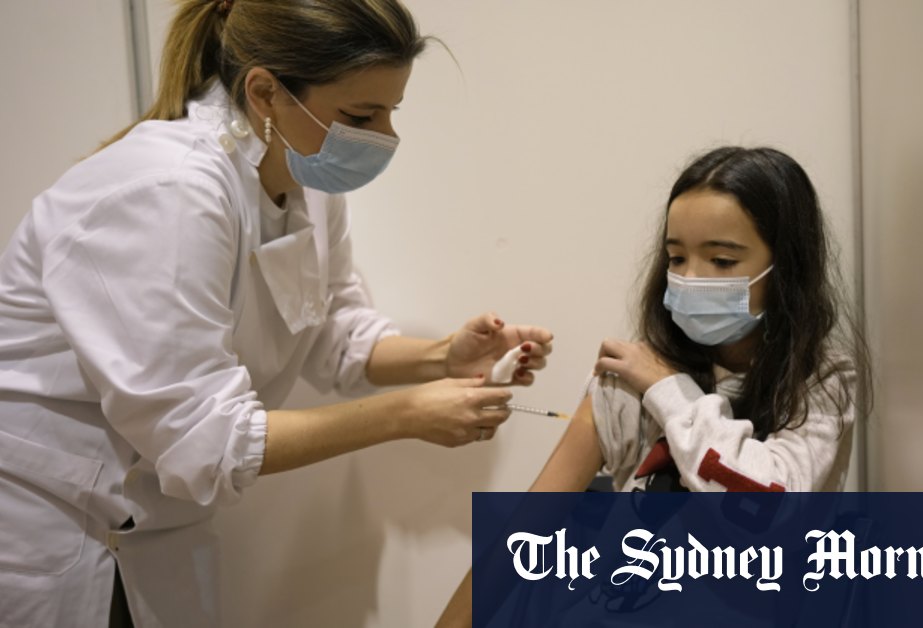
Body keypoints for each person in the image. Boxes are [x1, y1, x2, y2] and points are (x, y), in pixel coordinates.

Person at [0, 1, 552, 626]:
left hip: (150, 531)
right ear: (265, 91)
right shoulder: (168, 190)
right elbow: (209, 439)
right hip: (42, 524)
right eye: (360, 115)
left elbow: (331, 332)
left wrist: (441, 357)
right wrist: (404, 415)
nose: (385, 138)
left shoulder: (299, 175)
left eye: (391, 112)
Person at [435, 146, 866, 625]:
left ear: (785, 266)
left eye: (721, 260)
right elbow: (531, 526)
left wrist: (670, 390)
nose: (688, 278)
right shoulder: (630, 376)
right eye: (676, 257)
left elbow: (772, 505)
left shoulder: (821, 381)